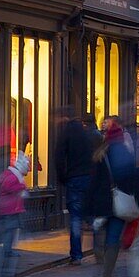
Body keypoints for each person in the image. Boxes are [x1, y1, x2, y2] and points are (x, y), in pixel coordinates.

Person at [85, 116, 136, 277]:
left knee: (99, 230)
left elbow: (93, 182)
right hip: (120, 201)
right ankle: (107, 272)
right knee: (113, 237)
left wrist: (89, 204)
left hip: (102, 201)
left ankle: (99, 254)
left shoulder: (101, 154)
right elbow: (131, 178)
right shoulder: (126, 152)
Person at [55, 107, 101, 266]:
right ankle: (99, 249)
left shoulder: (65, 134)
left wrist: (63, 178)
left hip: (74, 179)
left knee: (75, 218)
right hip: (89, 178)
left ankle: (76, 255)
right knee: (91, 216)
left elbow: (59, 158)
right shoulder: (88, 135)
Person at [0, 151, 30, 277]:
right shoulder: (12, 176)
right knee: (9, 233)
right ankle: (7, 250)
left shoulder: (13, 175)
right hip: (9, 211)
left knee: (12, 231)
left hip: (13, 210)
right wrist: (21, 187)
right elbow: (7, 187)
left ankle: (9, 250)